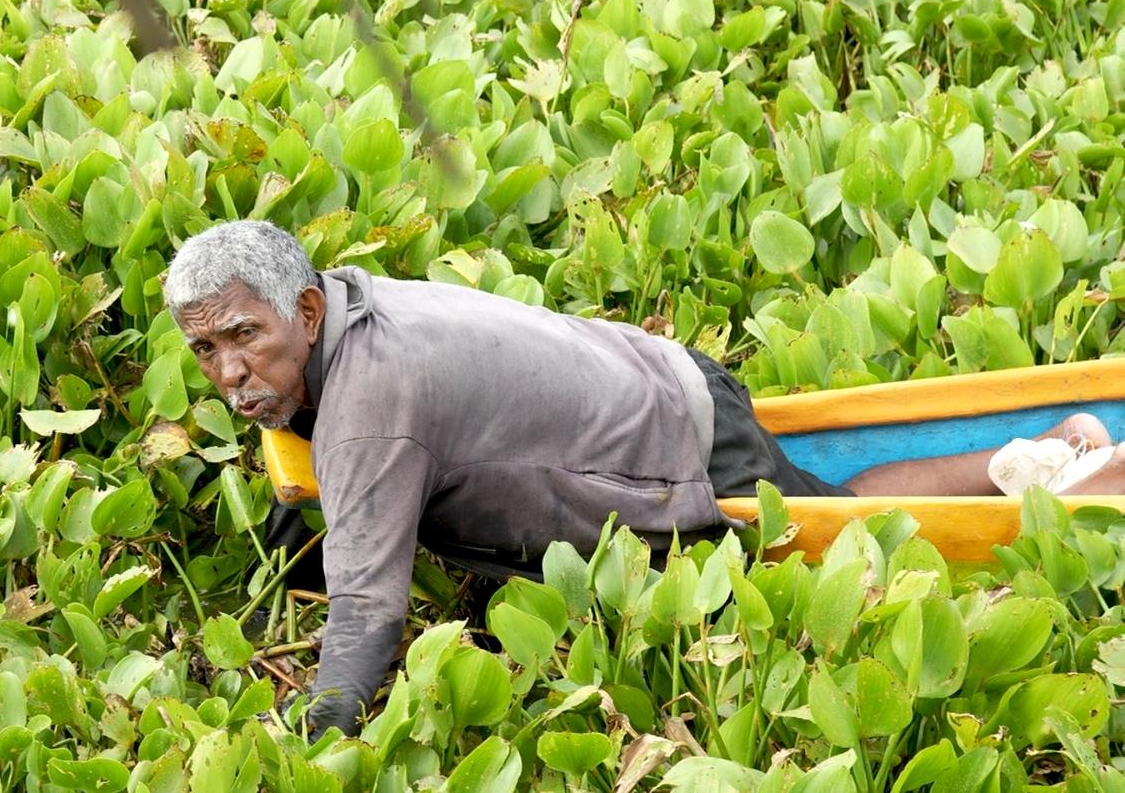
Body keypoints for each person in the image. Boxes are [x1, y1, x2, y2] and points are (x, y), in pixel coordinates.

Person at [161, 219, 1120, 737]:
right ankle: (1032, 450)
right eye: (205, 352)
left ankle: (1066, 480)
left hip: (667, 445)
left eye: (247, 337)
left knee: (832, 532)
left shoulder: (370, 402)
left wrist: (308, 731)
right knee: (825, 494)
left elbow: (368, 614)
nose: (231, 373)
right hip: (658, 377)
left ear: (308, 310)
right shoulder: (351, 303)